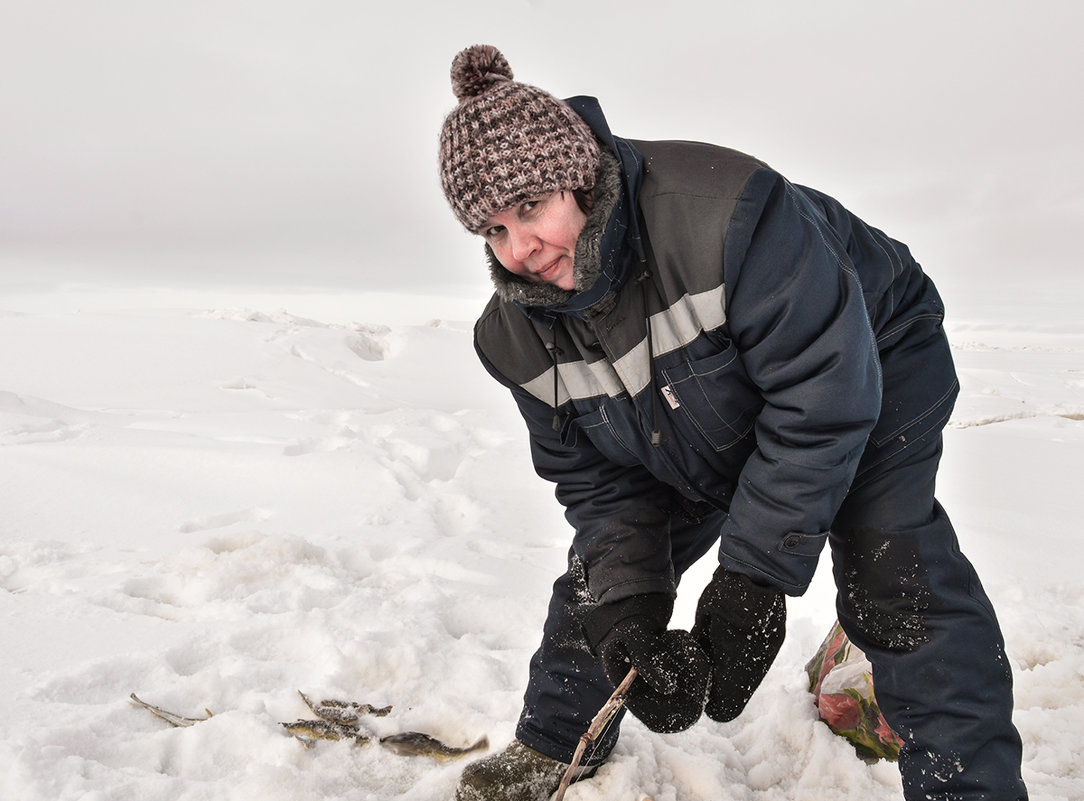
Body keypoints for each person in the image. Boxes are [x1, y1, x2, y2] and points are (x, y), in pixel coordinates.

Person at [437, 44, 1028, 801]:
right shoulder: (514, 335)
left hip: (866, 357)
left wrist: (752, 578)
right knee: (606, 581)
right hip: (695, 409)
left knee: (892, 564)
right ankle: (557, 740)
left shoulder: (730, 213)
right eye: (492, 230)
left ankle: (968, 786)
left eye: (530, 208)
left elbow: (823, 392)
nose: (521, 249)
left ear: (579, 176)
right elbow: (604, 490)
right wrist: (630, 614)